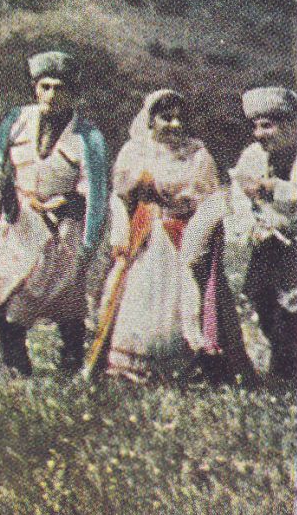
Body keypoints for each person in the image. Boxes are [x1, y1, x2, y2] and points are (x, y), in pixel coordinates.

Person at [88, 89, 252, 384]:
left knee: (186, 298)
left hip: (184, 238)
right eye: (167, 118)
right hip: (146, 235)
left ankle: (189, 365)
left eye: (180, 119)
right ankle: (132, 367)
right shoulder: (134, 152)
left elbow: (212, 200)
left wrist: (194, 220)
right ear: (150, 120)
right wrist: (121, 230)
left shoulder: (197, 155)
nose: (175, 125)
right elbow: (120, 197)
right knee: (138, 296)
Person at [0, 50, 107, 376]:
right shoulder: (16, 121)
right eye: (45, 86)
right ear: (34, 87)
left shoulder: (88, 137)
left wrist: (87, 241)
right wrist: (2, 184)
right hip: (20, 222)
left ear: (73, 92)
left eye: (60, 88)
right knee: (6, 294)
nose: (52, 95)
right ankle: (17, 367)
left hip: (62, 228)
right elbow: (0, 163)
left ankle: (71, 364)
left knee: (66, 298)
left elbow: (96, 196)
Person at [230, 85, 297, 383]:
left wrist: (275, 190)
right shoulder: (253, 155)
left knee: (295, 307)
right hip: (268, 242)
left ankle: (286, 373)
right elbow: (239, 197)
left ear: (292, 124)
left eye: (267, 125)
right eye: (255, 126)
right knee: (261, 299)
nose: (259, 134)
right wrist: (254, 222)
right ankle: (285, 366)